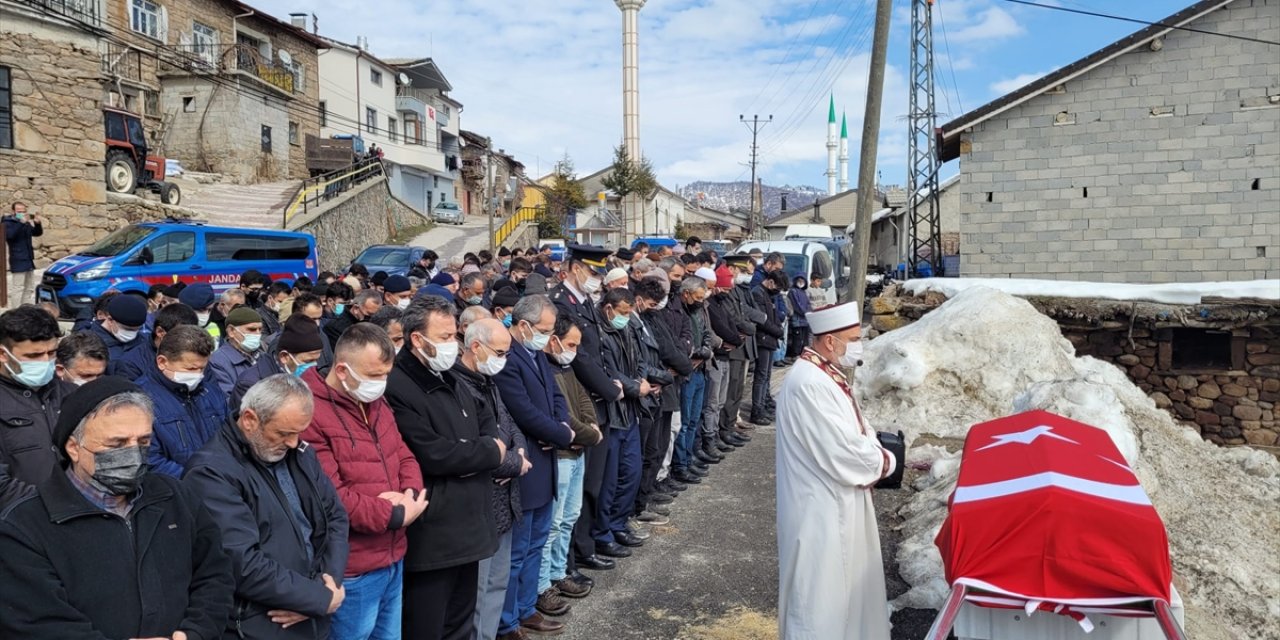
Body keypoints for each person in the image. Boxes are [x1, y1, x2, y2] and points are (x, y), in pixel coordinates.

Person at [0, 377, 235, 639]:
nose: (133, 454)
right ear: (74, 447)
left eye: (143, 442)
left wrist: (195, 633)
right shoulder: (24, 526)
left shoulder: (175, 496)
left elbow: (215, 574)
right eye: (116, 444)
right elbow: (37, 622)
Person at [184, 374, 350, 640]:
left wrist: (325, 588)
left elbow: (335, 518)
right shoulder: (211, 472)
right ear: (250, 420)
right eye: (284, 433)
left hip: (310, 612)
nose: (293, 442)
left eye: (299, 432)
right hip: (258, 624)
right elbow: (239, 561)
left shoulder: (300, 454)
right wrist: (314, 597)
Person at [386, 296, 505, 640]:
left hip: (469, 523)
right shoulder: (397, 385)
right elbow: (432, 453)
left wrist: (479, 450)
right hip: (434, 533)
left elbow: (486, 422)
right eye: (444, 337)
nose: (453, 344)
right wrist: (483, 453)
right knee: (427, 625)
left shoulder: (450, 376)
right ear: (417, 340)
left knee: (460, 623)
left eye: (454, 335)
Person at [775, 301, 896, 639]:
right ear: (830, 341)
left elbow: (857, 428)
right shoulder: (810, 383)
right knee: (821, 595)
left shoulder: (824, 373)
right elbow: (841, 449)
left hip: (837, 499)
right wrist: (885, 461)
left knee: (845, 588)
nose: (858, 346)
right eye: (853, 338)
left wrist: (874, 445)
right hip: (821, 505)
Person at [303, 323, 426, 640]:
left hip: (392, 555)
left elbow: (403, 454)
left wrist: (409, 496)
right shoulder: (308, 412)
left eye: (386, 374)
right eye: (374, 376)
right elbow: (331, 495)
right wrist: (396, 514)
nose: (381, 383)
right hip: (353, 567)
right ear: (342, 369)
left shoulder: (375, 402)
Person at [493, 295, 577, 638]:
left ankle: (527, 608)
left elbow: (555, 397)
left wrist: (561, 427)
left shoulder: (536, 352)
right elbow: (521, 410)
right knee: (516, 552)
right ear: (523, 325)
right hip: (526, 462)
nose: (546, 337)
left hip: (546, 458)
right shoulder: (507, 358)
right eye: (542, 330)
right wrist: (559, 433)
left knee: (536, 543)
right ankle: (507, 621)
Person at [449, 318, 529, 640]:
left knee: (498, 582)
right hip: (480, 504)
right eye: (500, 351)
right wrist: (513, 463)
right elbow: (476, 446)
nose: (504, 359)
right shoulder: (457, 385)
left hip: (504, 503)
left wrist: (519, 452)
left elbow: (509, 425)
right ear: (476, 347)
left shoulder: (488, 380)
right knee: (477, 592)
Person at [549, 245, 623, 574]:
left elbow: (599, 353)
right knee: (581, 489)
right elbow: (578, 358)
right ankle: (577, 553)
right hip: (582, 402)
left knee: (594, 483)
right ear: (576, 268)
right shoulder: (560, 303)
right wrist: (609, 389)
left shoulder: (584, 302)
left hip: (597, 403)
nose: (597, 279)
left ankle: (586, 544)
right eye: (593, 272)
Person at [539, 314, 603, 605]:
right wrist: (589, 435)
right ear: (553, 340)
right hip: (562, 454)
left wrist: (592, 426)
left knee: (569, 518)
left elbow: (584, 399)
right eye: (570, 344)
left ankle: (559, 571)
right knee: (553, 523)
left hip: (577, 452)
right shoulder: (545, 368)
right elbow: (560, 415)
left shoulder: (566, 367)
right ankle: (543, 585)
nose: (573, 350)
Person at [592, 288, 650, 559]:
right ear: (609, 309)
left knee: (632, 472)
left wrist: (639, 382)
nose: (627, 317)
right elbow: (608, 373)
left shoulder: (628, 329)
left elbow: (639, 361)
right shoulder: (599, 333)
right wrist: (636, 388)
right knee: (610, 480)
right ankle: (603, 532)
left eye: (629, 312)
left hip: (630, 412)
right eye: (623, 312)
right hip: (613, 415)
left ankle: (619, 523)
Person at [0, 305, 74, 499]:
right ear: (3, 354)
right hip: (19, 521)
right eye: (33, 356)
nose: (45, 361)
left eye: (51, 353)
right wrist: (53, 502)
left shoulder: (72, 394)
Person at [137, 326, 228, 478]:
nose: (198, 375)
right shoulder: (139, 400)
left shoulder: (211, 392)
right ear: (162, 362)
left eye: (202, 369)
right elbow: (149, 460)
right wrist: (198, 479)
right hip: (177, 489)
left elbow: (229, 438)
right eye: (191, 369)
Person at [232, 314, 326, 411]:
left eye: (316, 360)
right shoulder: (250, 384)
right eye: (308, 361)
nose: (313, 366)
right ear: (284, 357)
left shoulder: (310, 377)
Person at [114, 302, 199, 381]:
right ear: (160, 332)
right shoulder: (131, 364)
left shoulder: (196, 355)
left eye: (191, 336)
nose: (187, 341)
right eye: (180, 336)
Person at [749, 271, 786, 425]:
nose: (777, 291)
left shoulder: (769, 294)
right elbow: (762, 319)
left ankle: (762, 405)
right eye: (777, 286)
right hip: (763, 339)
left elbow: (773, 315)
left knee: (767, 375)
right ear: (770, 282)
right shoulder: (758, 293)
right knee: (761, 375)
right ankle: (757, 410)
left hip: (770, 339)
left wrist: (778, 328)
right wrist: (777, 331)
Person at [208, 306, 263, 396]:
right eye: (252, 329)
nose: (258, 334)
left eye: (260, 329)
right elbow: (228, 400)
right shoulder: (217, 361)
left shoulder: (263, 356)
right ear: (231, 331)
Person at [90, 294, 148, 374]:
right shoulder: (88, 345)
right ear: (110, 320)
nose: (132, 334)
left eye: (136, 329)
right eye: (127, 329)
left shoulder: (144, 341)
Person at [3, 202, 42, 308]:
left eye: (23, 211)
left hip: (28, 258)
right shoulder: (8, 222)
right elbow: (10, 236)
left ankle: (25, 309)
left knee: (29, 287)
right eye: (19, 212)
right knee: (18, 287)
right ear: (13, 212)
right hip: (18, 258)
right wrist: (21, 222)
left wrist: (37, 223)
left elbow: (36, 233)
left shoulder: (26, 223)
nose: (22, 213)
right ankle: (15, 312)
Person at [786, 276, 812, 361]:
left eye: (802, 280)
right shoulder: (793, 291)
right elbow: (796, 305)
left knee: (804, 339)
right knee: (797, 338)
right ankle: (795, 355)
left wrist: (808, 312)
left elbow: (809, 304)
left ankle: (802, 354)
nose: (801, 282)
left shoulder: (804, 292)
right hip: (797, 320)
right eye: (799, 280)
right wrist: (805, 312)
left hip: (805, 320)